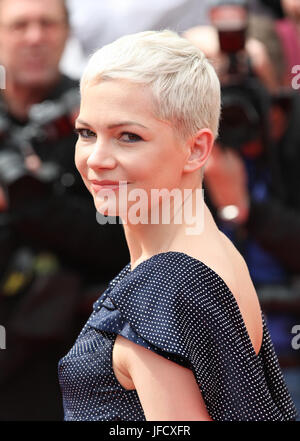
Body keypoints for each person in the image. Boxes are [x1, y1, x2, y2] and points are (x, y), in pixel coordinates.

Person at [58, 30, 298, 421]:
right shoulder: (209, 254)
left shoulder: (168, 284)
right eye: (87, 133)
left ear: (197, 148)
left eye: (128, 136)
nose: (97, 158)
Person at [0, 0, 128, 421]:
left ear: (68, 32)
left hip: (80, 360)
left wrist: (28, 205)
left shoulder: (98, 112)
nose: (35, 37)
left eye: (47, 24)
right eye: (19, 26)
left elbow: (119, 235)